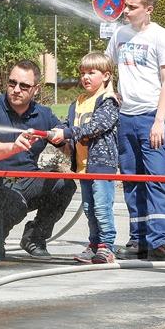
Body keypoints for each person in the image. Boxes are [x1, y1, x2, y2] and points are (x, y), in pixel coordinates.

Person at [105, 0, 165, 261]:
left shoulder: (161, 37)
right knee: (131, 180)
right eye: (126, 5)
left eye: (132, 7)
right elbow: (106, 67)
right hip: (125, 119)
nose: (125, 11)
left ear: (148, 9)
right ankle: (138, 239)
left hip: (153, 117)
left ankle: (161, 241)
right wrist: (110, 90)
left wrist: (159, 121)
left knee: (156, 179)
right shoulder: (119, 34)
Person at [0, 59, 74, 258]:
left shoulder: (43, 114)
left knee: (65, 183)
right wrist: (13, 147)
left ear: (36, 89)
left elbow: (69, 150)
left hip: (26, 183)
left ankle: (35, 237)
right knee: (14, 199)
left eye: (24, 86)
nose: (16, 89)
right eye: (11, 83)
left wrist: (66, 138)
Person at [48, 52, 120, 265]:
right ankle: (94, 244)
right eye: (82, 73)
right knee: (89, 208)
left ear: (106, 76)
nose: (85, 77)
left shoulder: (108, 101)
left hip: (101, 166)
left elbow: (96, 126)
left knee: (102, 207)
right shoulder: (78, 102)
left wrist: (68, 133)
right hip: (83, 166)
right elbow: (68, 124)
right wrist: (58, 130)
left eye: (92, 72)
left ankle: (107, 247)